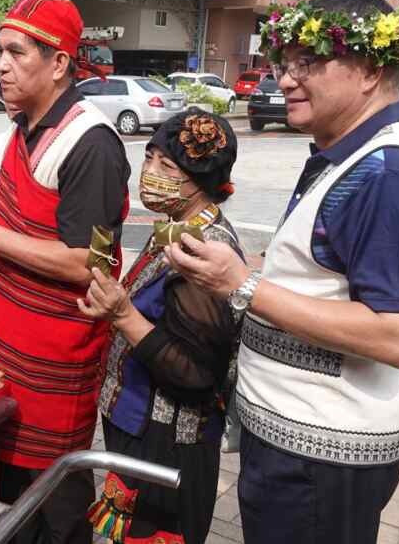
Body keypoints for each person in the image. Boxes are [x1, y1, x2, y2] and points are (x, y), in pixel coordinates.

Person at [165, 0, 399, 544]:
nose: (285, 80)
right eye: (283, 63)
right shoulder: (351, 155)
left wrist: (239, 283)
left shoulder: (391, 174)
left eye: (309, 62)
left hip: (322, 458)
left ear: (369, 68)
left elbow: (396, 335)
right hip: (300, 445)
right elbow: (327, 278)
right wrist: (247, 269)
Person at [0, 0, 131, 543]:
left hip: (51, 363)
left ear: (60, 62)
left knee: (53, 497)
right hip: (8, 349)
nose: (0, 65)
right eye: (0, 52)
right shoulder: (26, 127)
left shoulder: (90, 143)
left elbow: (89, 263)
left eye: (16, 53)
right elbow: (47, 213)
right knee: (10, 489)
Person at [80, 109, 243, 544]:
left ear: (203, 180)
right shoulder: (176, 229)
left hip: (168, 443)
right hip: (138, 429)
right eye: (149, 158)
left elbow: (196, 374)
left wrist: (123, 315)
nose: (149, 173)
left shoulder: (204, 248)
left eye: (166, 166)